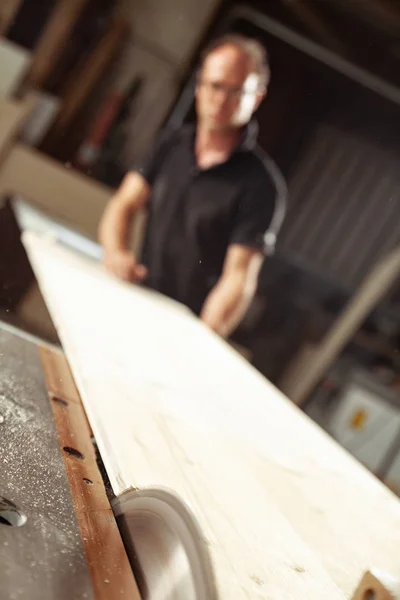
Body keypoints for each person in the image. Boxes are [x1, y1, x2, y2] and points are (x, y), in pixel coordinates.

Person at [99, 34, 286, 338]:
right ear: (199, 85)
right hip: (134, 298)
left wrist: (203, 337)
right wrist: (116, 253)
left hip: (185, 327)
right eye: (215, 86)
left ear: (258, 97)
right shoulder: (170, 143)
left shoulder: (262, 186)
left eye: (237, 91)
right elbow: (125, 203)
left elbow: (238, 276)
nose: (222, 100)